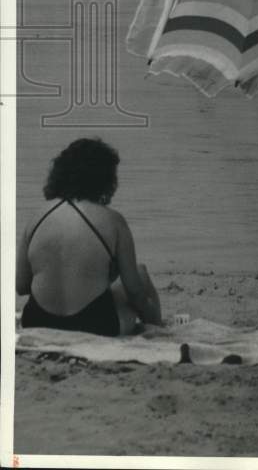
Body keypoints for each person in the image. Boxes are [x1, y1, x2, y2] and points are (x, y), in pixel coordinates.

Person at [17, 138, 162, 337]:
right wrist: (149, 314)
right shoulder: (113, 220)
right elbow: (135, 292)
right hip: (94, 326)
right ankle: (160, 330)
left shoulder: (36, 217)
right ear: (105, 179)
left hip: (37, 322)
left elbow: (21, 286)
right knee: (141, 274)